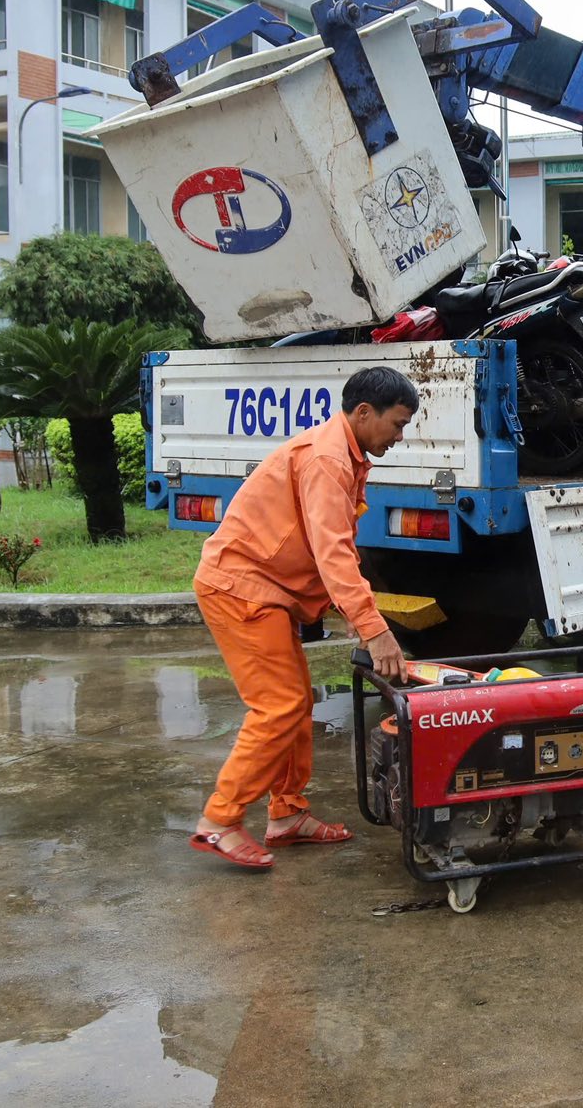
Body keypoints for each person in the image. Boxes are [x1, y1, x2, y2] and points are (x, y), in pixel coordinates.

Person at [187, 367, 417, 870]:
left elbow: (331, 552)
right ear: (363, 413)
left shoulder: (346, 453)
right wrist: (375, 630)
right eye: (397, 425)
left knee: (294, 703)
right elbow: (332, 554)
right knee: (280, 706)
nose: (400, 438)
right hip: (241, 588)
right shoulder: (328, 460)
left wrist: (361, 616)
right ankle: (220, 820)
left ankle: (287, 814)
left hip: (266, 590)